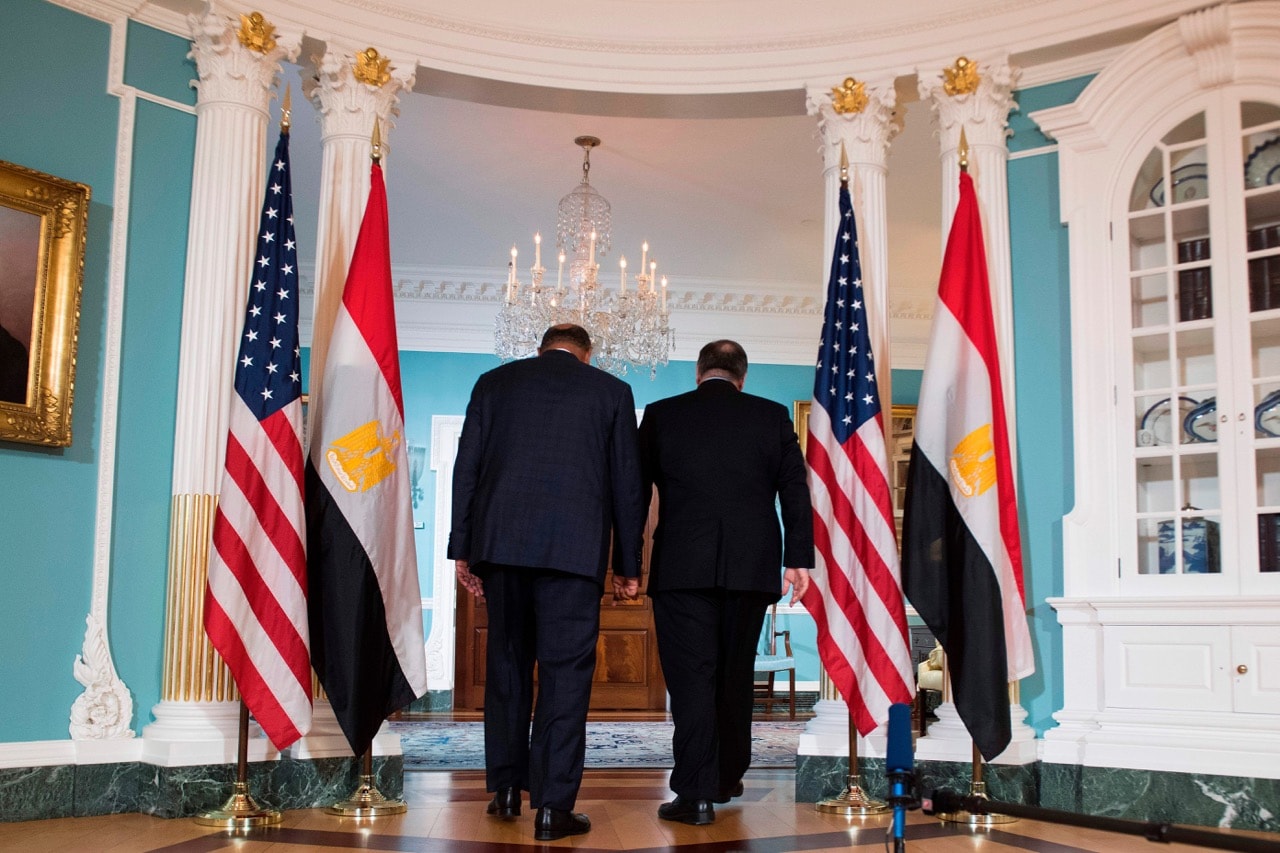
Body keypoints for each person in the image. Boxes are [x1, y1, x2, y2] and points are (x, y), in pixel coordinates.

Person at [448, 323, 645, 842]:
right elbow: (628, 485)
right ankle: (554, 808)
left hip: (502, 549)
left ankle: (506, 789)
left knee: (507, 665)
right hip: (573, 555)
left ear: (539, 349)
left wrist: (462, 550)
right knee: (565, 678)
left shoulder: (494, 383)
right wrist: (629, 563)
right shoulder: (611, 392)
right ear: (587, 354)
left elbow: (465, 469)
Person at [638, 338, 814, 825]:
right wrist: (798, 559)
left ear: (699, 372)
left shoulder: (661, 414)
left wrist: (627, 563)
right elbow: (794, 489)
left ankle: (694, 794)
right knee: (734, 675)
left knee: (692, 678)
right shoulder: (771, 415)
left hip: (681, 570)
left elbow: (633, 493)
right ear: (743, 376)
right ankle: (725, 778)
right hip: (750, 569)